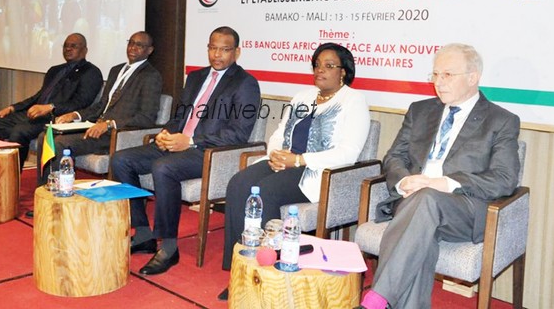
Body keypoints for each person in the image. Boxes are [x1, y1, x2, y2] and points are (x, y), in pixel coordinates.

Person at [356, 43, 521, 309]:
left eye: (448, 74)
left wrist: (445, 183)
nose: (439, 82)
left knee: (427, 200)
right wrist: (404, 181)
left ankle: (377, 299)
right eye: (435, 74)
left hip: (462, 208)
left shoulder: (500, 120)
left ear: (473, 77)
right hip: (413, 203)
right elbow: (394, 157)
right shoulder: (420, 111)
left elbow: (504, 178)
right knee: (421, 234)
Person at [218, 43, 370, 301]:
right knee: (238, 184)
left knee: (266, 191)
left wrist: (298, 160)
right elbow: (279, 133)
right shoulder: (302, 96)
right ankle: (241, 270)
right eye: (317, 65)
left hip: (316, 170)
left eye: (329, 66)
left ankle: (269, 276)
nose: (320, 70)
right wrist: (277, 155)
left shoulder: (354, 101)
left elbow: (348, 153)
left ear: (343, 72)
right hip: (285, 162)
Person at [111, 26, 261, 276]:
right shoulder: (195, 77)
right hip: (178, 144)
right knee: (121, 160)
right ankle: (144, 233)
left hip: (209, 152)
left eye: (225, 50)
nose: (217, 54)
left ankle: (169, 247)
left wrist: (190, 142)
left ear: (237, 52)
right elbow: (178, 118)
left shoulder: (245, 83)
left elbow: (237, 133)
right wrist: (165, 133)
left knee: (163, 167)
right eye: (213, 48)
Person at [35, 31, 162, 184]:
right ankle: (45, 189)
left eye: (139, 45)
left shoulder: (150, 76)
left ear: (149, 50)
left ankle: (61, 190)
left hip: (114, 134)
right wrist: (75, 115)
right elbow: (102, 105)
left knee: (59, 143)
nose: (133, 48)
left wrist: (109, 124)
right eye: (131, 43)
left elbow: (146, 117)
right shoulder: (116, 70)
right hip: (94, 126)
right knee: (45, 136)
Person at [0, 33, 103, 170]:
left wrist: (51, 107)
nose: (68, 49)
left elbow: (81, 102)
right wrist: (12, 108)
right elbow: (38, 96)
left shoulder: (91, 72)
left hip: (57, 118)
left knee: (19, 131)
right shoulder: (55, 70)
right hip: (36, 114)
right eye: (65, 46)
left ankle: (11, 175)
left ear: (85, 50)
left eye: (73, 46)